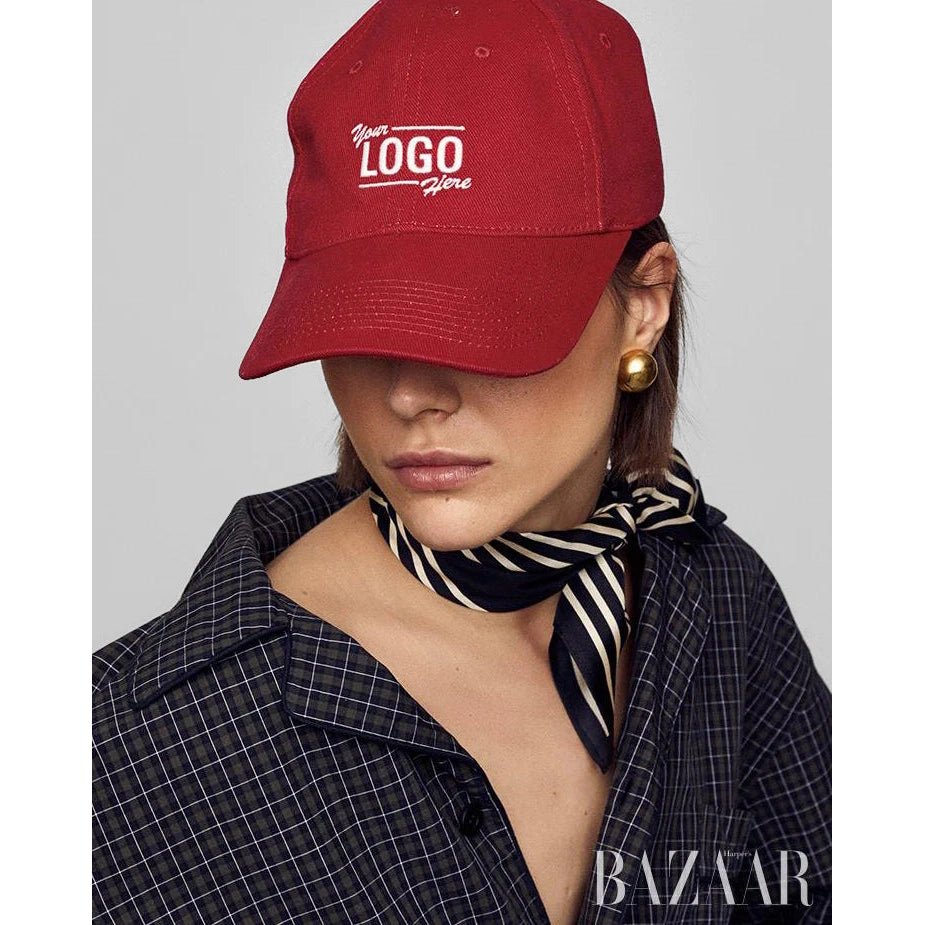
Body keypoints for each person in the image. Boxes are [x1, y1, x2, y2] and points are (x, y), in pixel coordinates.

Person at [92, 1, 832, 923]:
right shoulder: (125, 761)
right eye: (363, 322)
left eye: (481, 324)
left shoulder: (715, 605)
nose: (410, 394)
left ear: (642, 307)